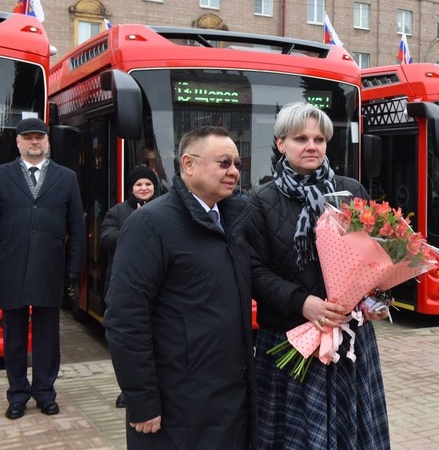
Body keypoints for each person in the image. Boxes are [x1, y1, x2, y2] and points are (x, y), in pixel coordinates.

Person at [104, 126, 257, 449]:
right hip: (178, 404)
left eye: (237, 165)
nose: (233, 172)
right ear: (188, 164)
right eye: (223, 163)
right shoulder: (150, 224)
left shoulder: (235, 221)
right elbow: (125, 318)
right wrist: (142, 400)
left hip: (230, 399)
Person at [250, 102, 391, 449]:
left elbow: (377, 258)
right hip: (290, 339)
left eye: (318, 138)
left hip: (348, 340)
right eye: (300, 138)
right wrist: (303, 304)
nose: (311, 145)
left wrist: (376, 300)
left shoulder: (350, 191)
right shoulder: (259, 200)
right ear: (281, 143)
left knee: (352, 433)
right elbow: (254, 272)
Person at [0, 117, 85, 420]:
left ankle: (45, 393)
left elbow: (77, 226)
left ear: (48, 142)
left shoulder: (66, 178)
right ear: (18, 142)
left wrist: (75, 268)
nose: (34, 142)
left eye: (40, 138)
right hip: (10, 267)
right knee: (14, 337)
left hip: (50, 267)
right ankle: (18, 394)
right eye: (28, 138)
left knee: (48, 335)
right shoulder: (2, 175)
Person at [99, 165, 160, 409]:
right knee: (126, 343)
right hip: (124, 286)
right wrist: (136, 225)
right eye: (138, 185)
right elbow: (105, 238)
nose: (143, 188)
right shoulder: (117, 212)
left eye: (148, 184)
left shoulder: (165, 209)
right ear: (131, 188)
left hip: (157, 287)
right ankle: (127, 389)